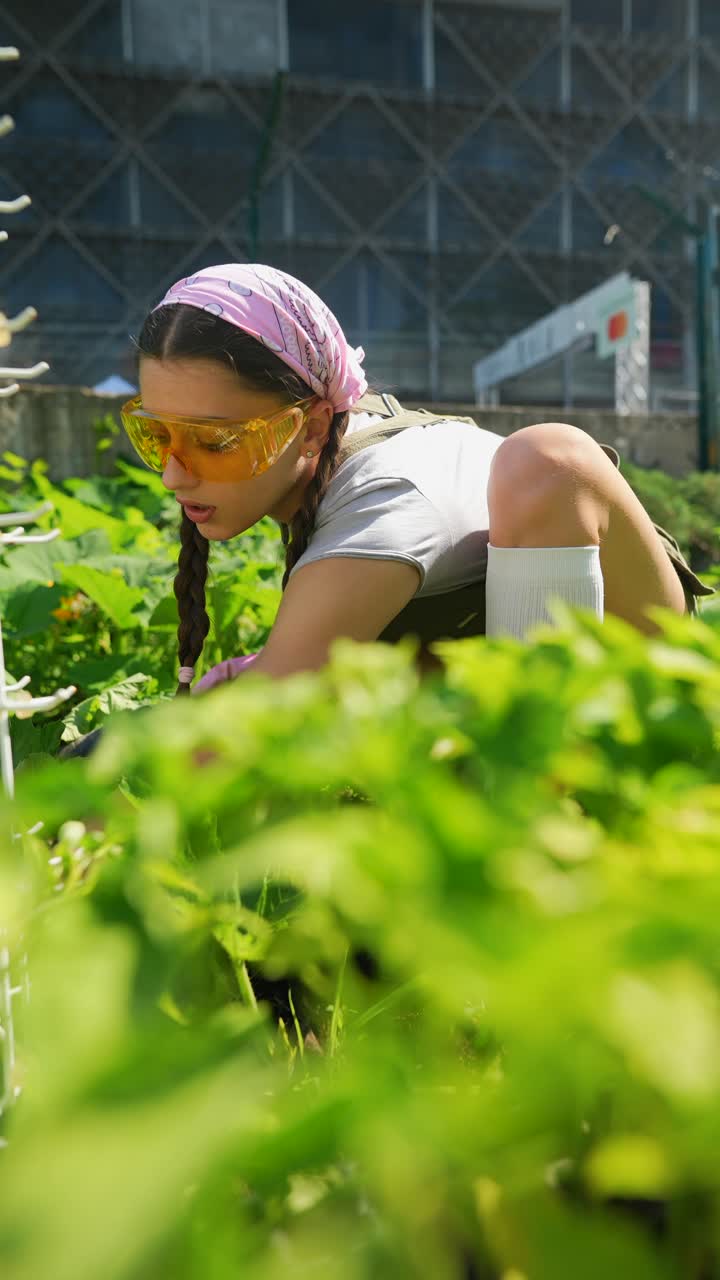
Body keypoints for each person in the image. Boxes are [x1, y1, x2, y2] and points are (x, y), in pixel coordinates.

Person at [120, 263, 715, 698]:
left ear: (310, 427)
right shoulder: (329, 452)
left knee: (547, 458)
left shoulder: (388, 498)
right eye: (155, 435)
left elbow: (254, 723)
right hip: (484, 653)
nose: (174, 472)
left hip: (637, 669)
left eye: (216, 441)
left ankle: (541, 802)